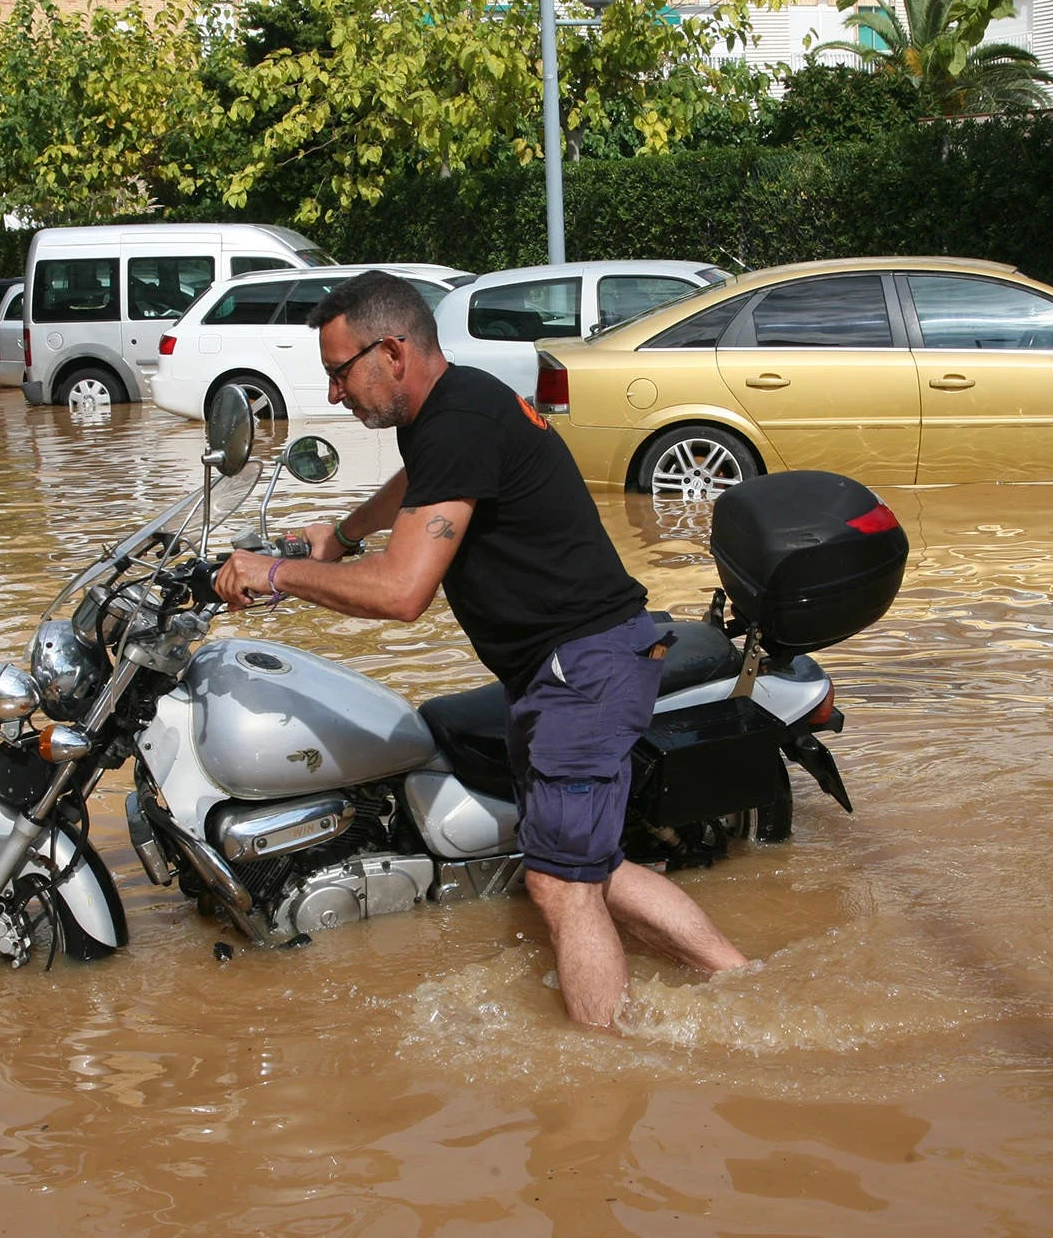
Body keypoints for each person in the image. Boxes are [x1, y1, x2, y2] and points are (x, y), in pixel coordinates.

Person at [212, 272, 749, 1028]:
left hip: (584, 671)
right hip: (562, 668)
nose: (335, 394)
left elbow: (404, 593)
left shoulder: (457, 419)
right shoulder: (450, 409)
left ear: (392, 352)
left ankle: (603, 1078)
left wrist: (277, 574)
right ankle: (738, 977)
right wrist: (343, 534)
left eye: (339, 371)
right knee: (590, 868)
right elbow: (420, 481)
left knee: (560, 884)